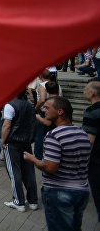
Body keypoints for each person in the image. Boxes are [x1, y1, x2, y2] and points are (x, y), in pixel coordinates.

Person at [24, 96, 91, 231]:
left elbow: (50, 168)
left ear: (60, 112)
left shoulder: (54, 136)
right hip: (81, 191)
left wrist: (33, 160)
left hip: (60, 192)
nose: (43, 110)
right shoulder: (82, 132)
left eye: (47, 108)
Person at [0, 89, 38, 212]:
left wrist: (3, 141)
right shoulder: (29, 105)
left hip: (13, 143)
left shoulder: (10, 105)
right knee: (29, 172)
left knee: (14, 172)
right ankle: (33, 201)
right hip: (26, 142)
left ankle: (19, 202)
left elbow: (7, 125)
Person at [82, 80, 100, 222]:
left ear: (92, 93)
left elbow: (90, 141)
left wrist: (83, 164)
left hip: (97, 162)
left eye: (85, 89)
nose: (83, 91)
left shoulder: (91, 112)